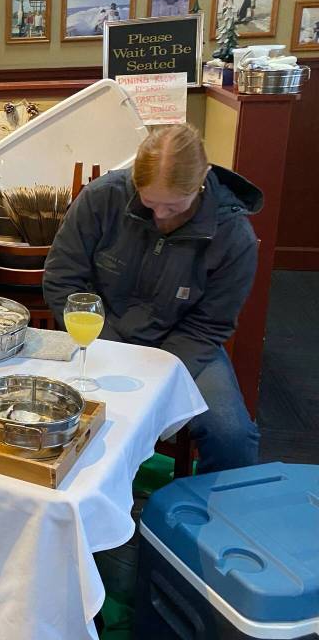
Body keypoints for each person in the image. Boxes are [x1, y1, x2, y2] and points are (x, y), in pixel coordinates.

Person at [43, 124, 262, 474]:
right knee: (55, 412)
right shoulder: (103, 198)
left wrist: (158, 372)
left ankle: (199, 508)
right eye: (149, 202)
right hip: (102, 335)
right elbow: (62, 279)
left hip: (184, 345)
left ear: (201, 181)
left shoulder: (234, 236)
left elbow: (211, 324)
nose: (160, 215)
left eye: (174, 206)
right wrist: (114, 351)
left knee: (232, 437)